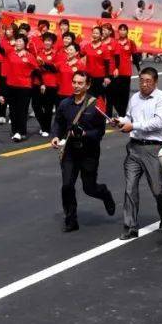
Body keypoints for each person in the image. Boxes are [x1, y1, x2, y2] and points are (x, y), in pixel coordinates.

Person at [51, 73, 117, 232]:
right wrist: (55, 136)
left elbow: (100, 132)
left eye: (80, 83)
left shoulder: (96, 105)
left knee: (89, 188)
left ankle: (104, 193)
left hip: (89, 152)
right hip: (70, 152)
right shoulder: (65, 104)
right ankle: (71, 220)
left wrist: (85, 134)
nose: (76, 85)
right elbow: (58, 123)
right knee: (67, 186)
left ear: (87, 85)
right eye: (74, 82)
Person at [115, 67, 162, 239]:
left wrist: (133, 126)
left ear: (155, 82)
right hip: (134, 148)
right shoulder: (135, 98)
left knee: (157, 189)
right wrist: (120, 122)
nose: (144, 84)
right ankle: (130, 227)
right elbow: (129, 118)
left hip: (153, 149)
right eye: (141, 80)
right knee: (130, 188)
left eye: (148, 81)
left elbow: (158, 123)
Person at [3, 33, 37, 142]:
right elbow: (1, 49)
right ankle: (15, 130)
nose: (18, 43)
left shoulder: (30, 56)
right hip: (11, 85)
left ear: (25, 44)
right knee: (12, 110)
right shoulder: (11, 54)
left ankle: (21, 132)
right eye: (16, 41)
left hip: (24, 86)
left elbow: (36, 69)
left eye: (20, 41)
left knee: (22, 110)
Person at [33, 33, 60, 138]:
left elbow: (55, 68)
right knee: (36, 106)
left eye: (49, 41)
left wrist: (43, 63)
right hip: (38, 83)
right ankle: (43, 125)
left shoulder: (56, 54)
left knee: (48, 108)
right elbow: (35, 68)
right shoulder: (38, 52)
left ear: (52, 43)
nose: (47, 42)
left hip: (51, 84)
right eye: (45, 40)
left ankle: (46, 128)